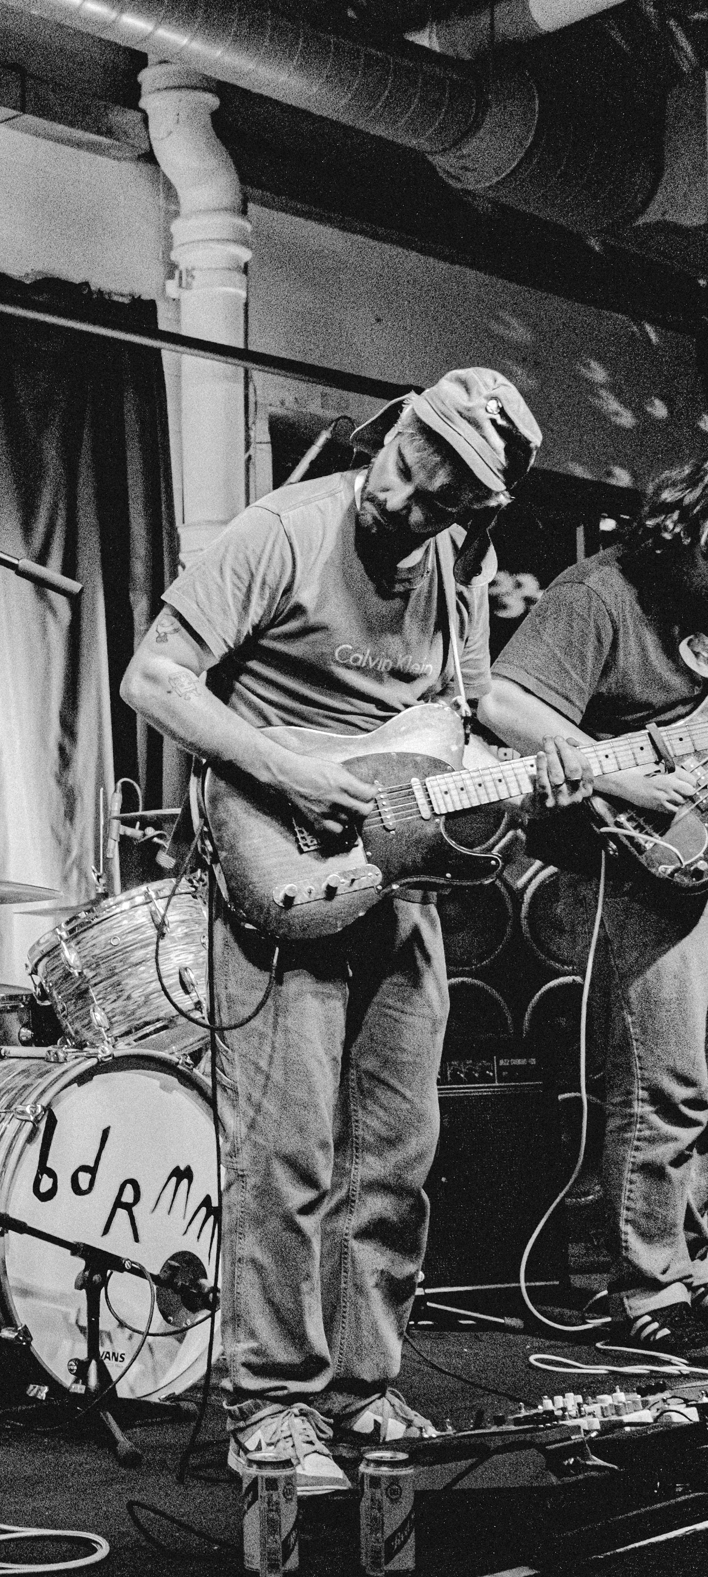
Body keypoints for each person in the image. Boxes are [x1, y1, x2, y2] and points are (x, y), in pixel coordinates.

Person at [121, 368, 586, 1493]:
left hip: (403, 878)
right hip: (283, 860)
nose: (411, 497)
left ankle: (364, 1389)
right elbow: (154, 678)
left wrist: (537, 779)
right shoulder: (284, 529)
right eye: (414, 461)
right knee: (283, 1152)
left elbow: (454, 726)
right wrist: (292, 773)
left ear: (476, 512)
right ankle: (271, 1403)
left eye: (447, 496)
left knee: (395, 1157)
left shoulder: (454, 573)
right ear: (398, 429)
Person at [481, 458, 708, 1360]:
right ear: (689, 529)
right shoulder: (598, 595)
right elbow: (505, 701)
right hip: (628, 865)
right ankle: (641, 1286)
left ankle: (690, 1264)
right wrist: (634, 780)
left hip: (693, 853)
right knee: (664, 1080)